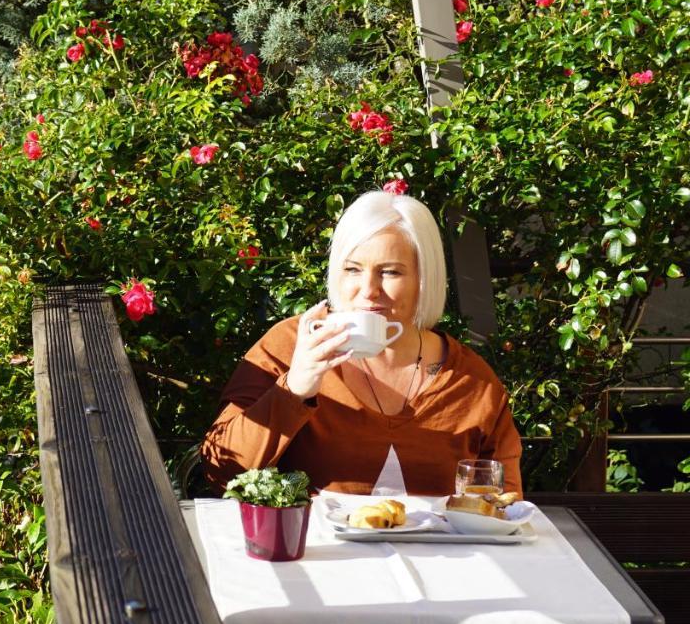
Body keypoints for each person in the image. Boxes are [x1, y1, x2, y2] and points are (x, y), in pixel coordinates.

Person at [202, 190, 523, 497]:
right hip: (316, 552)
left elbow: (505, 503)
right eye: (353, 269)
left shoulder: (472, 383)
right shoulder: (291, 346)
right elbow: (222, 472)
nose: (368, 290)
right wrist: (295, 388)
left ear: (425, 280)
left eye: (390, 272)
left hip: (436, 552)